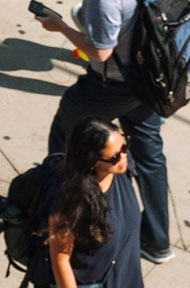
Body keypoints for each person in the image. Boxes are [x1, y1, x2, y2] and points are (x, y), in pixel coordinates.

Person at [31, 0, 173, 266]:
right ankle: (157, 240)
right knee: (148, 153)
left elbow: (99, 52)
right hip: (149, 76)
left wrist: (60, 26)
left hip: (112, 84)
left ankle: (56, 219)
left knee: (67, 135)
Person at [35, 119, 147, 288]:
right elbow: (60, 258)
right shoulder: (69, 198)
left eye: (125, 147)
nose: (123, 157)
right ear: (92, 161)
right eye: (115, 156)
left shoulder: (120, 170)